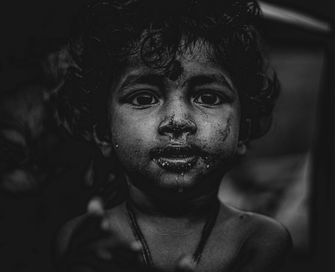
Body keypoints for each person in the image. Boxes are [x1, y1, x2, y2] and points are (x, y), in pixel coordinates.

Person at [53, 0, 292, 271]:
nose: (177, 121)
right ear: (103, 131)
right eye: (143, 98)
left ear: (244, 129)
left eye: (208, 97)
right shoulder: (86, 238)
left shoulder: (259, 239)